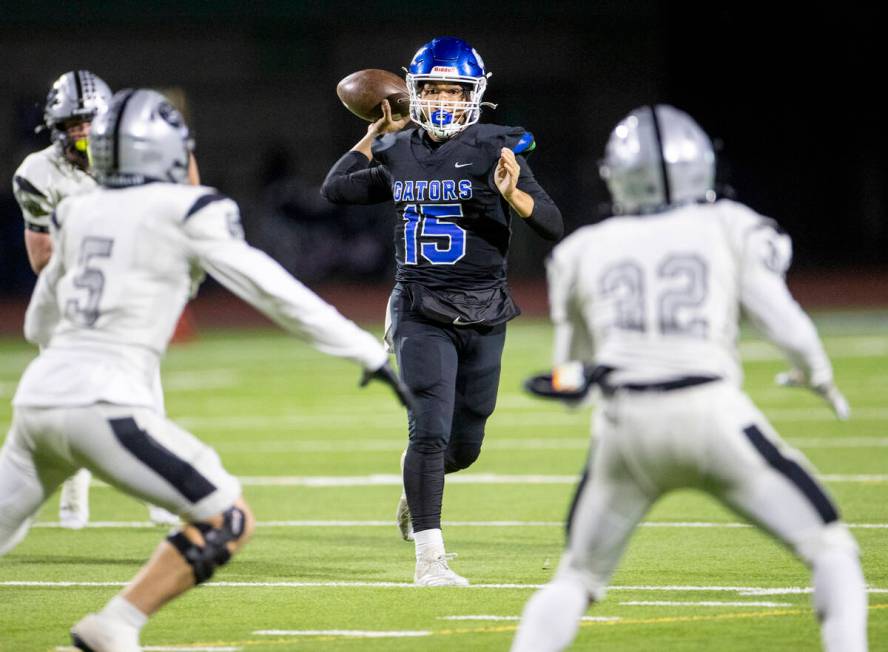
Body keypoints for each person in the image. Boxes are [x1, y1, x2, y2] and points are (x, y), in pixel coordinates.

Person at [0, 88, 413, 652]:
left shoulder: (76, 209)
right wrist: (361, 350)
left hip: (35, 404)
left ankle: (115, 627)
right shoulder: (189, 210)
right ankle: (116, 625)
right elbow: (272, 290)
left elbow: (36, 323)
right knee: (226, 519)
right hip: (105, 405)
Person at [511, 105, 867, 652]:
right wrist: (816, 375)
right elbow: (789, 327)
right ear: (701, 165)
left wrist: (567, 383)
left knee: (576, 579)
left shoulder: (581, 249)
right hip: (711, 413)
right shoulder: (730, 223)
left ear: (616, 173)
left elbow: (571, 377)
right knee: (831, 549)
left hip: (624, 427)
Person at [322, 36, 563, 586]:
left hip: (484, 306)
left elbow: (552, 222)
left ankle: (416, 489)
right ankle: (430, 560)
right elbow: (335, 189)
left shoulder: (497, 147)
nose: (443, 99)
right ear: (412, 94)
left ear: (473, 95)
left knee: (465, 444)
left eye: (454, 90)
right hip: (419, 307)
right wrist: (372, 134)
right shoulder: (398, 149)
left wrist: (514, 195)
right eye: (431, 89)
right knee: (427, 429)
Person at [11, 71, 193, 529]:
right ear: (57, 128)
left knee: (144, 393)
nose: (83, 133)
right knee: (61, 402)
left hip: (127, 298)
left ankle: (157, 493)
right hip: (69, 299)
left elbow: (184, 202)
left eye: (90, 122)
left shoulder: (137, 156)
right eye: (73, 124)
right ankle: (71, 481)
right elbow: (41, 260)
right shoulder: (38, 173)